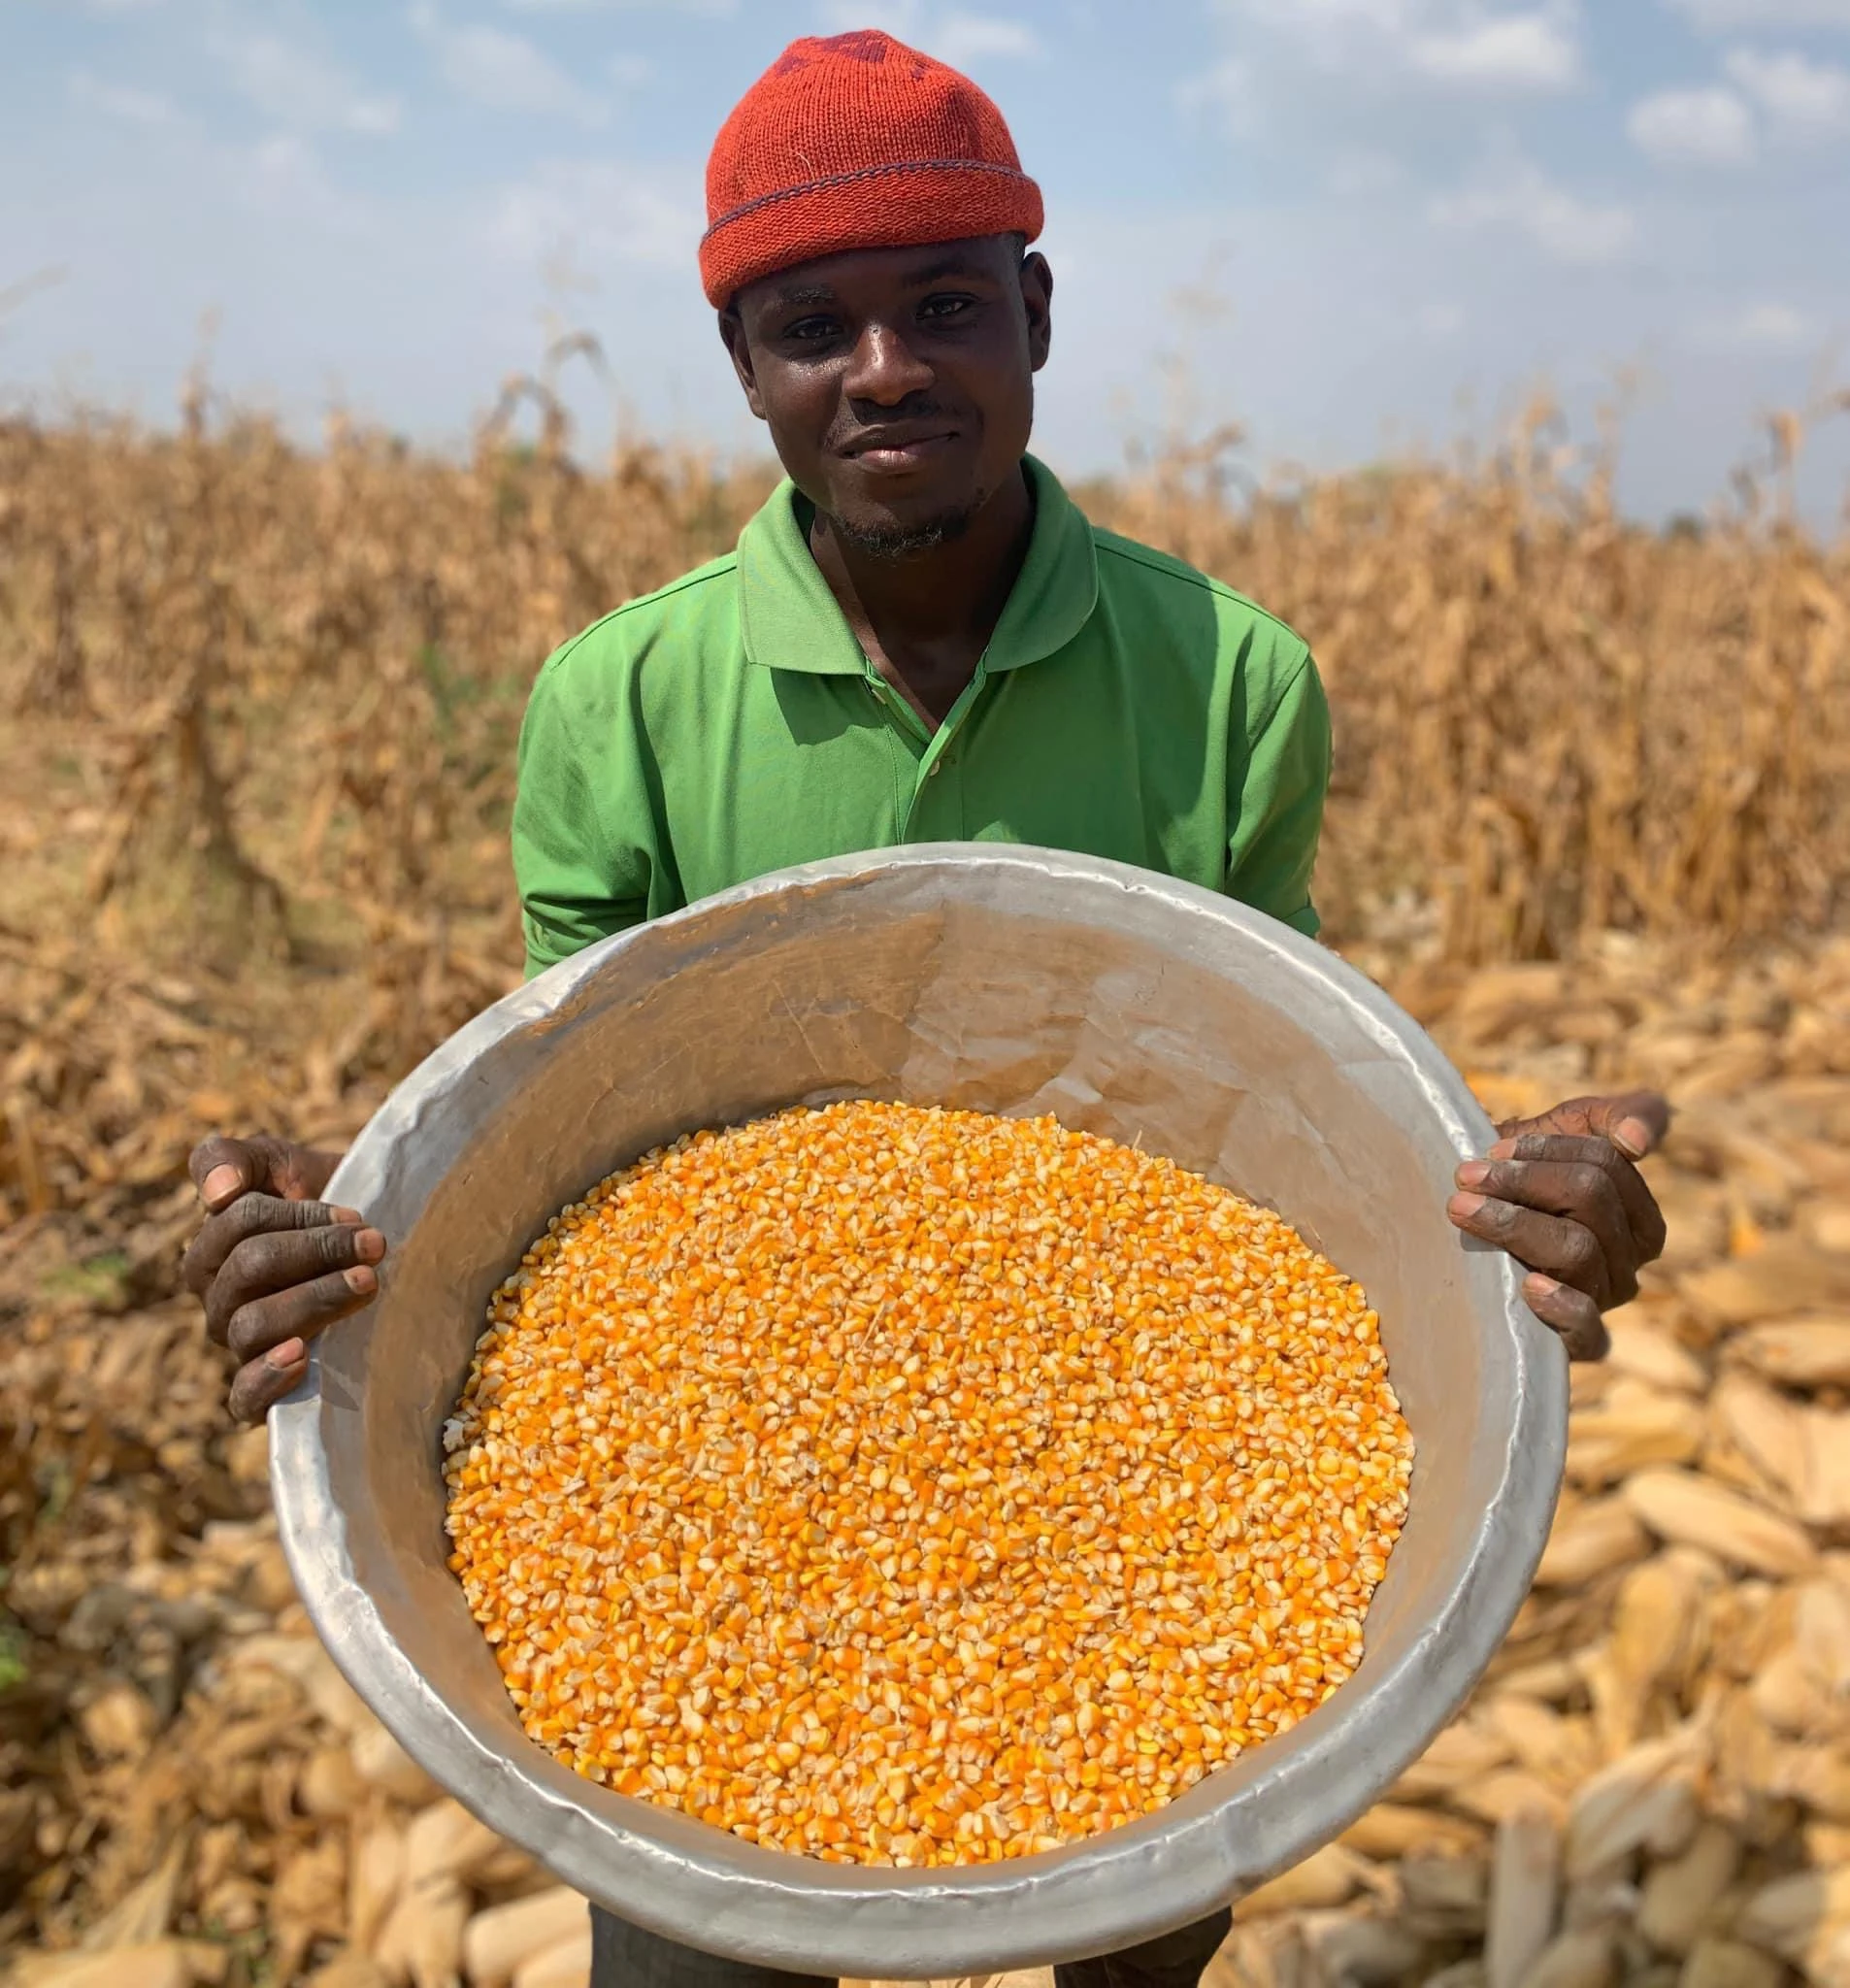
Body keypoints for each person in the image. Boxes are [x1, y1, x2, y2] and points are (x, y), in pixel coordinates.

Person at [181, 29, 1668, 1988]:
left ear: (1034, 313)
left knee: (1142, 1923)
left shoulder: (1226, 681)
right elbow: (560, 1105)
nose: (884, 368)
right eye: (814, 326)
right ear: (743, 366)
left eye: (945, 304)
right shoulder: (619, 704)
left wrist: (1496, 1201)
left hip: (1155, 1486)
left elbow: (1271, 1079)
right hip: (690, 1497)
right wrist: (367, 1206)